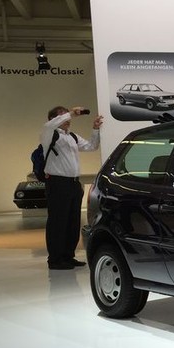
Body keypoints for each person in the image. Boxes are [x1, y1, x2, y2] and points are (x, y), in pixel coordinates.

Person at [40, 106, 103, 270]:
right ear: (53, 119)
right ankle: (55, 259)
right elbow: (50, 125)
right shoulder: (49, 133)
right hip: (57, 183)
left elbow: (91, 146)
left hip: (73, 183)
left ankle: (68, 256)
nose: (67, 119)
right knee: (58, 222)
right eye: (62, 116)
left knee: (72, 221)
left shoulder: (72, 136)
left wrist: (95, 129)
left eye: (66, 115)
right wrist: (72, 113)